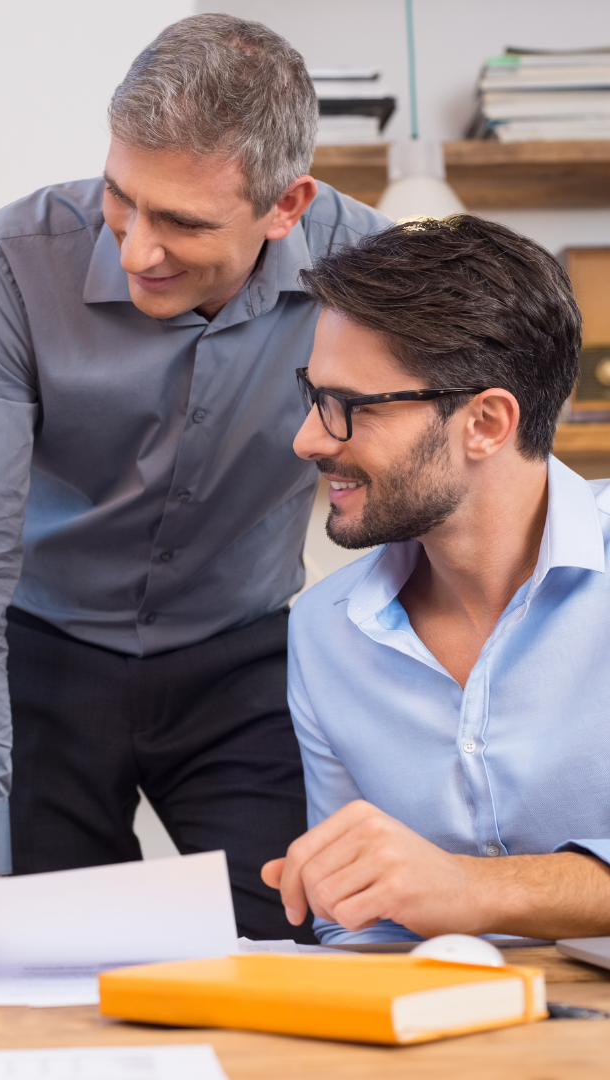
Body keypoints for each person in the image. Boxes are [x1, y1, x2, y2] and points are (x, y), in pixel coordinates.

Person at [0, 12, 386, 940]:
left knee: (292, 947)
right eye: (123, 197)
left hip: (244, 657)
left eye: (182, 221)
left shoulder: (368, 271)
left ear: (286, 207)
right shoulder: (7, 267)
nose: (134, 250)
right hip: (39, 656)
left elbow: (420, 512)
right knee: (34, 962)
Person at [262, 214, 610, 944]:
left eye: (350, 409)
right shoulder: (325, 631)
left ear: (485, 422)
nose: (308, 439)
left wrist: (477, 890)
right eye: (313, 396)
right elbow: (355, 929)